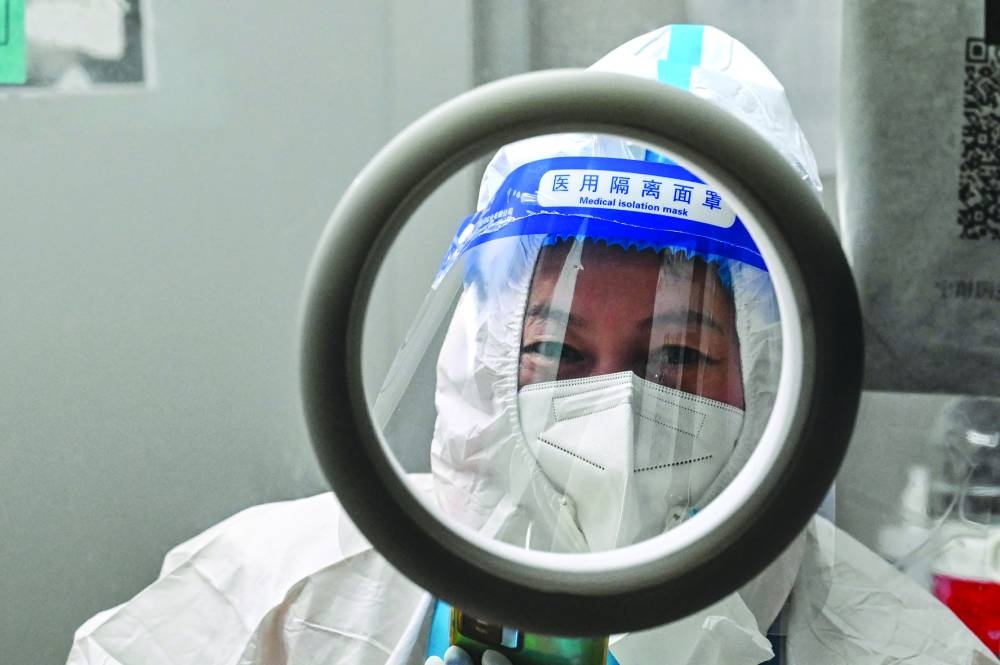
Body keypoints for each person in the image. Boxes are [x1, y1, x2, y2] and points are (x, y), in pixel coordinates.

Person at [66, 25, 998, 665]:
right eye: (558, 354)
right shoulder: (282, 599)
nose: (615, 409)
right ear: (487, 358)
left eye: (677, 360)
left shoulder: (899, 650)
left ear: (775, 378)